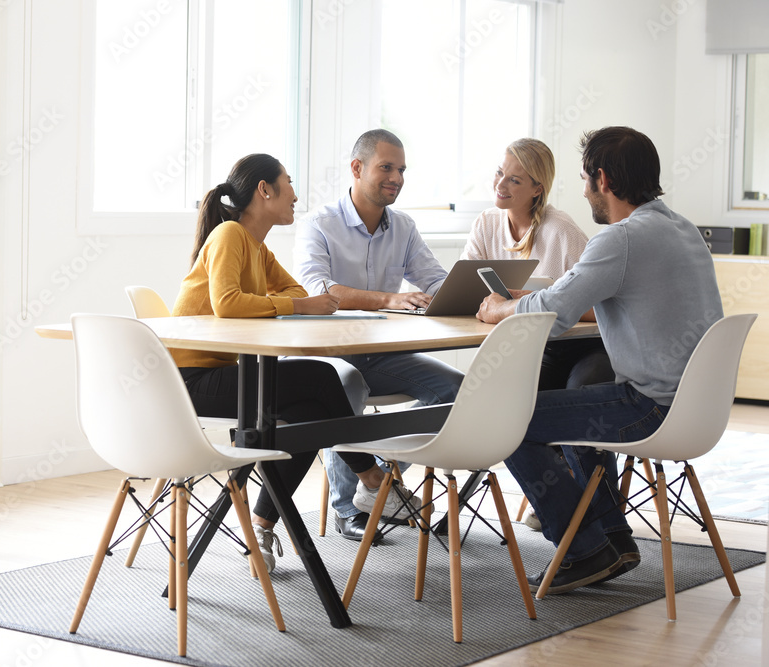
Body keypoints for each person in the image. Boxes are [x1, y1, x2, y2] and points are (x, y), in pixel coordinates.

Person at [476, 126, 724, 594]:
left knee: (503, 418)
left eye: (586, 178)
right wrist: (532, 297)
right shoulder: (682, 228)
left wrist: (499, 308)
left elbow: (550, 316)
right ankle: (613, 539)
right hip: (697, 408)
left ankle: (584, 549)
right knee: (580, 407)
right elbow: (567, 297)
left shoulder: (621, 240)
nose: (585, 189)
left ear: (603, 180)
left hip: (650, 407)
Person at [171, 153, 406, 573]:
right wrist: (299, 304)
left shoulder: (256, 248)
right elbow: (228, 305)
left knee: (310, 413)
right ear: (265, 190)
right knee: (318, 377)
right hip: (191, 380)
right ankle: (372, 477)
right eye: (289, 182)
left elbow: (299, 291)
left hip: (226, 374)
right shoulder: (229, 235)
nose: (296, 195)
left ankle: (261, 523)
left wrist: (300, 302)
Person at [293, 129, 463, 541]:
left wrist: (467, 294)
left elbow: (435, 279)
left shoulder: (403, 226)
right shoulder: (319, 224)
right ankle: (348, 507)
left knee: (458, 391)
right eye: (386, 167)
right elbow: (318, 289)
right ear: (357, 168)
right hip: (327, 356)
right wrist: (389, 298)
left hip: (382, 355)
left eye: (401, 169)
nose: (397, 178)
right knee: (342, 390)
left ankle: (381, 480)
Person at [463, 138, 615, 531]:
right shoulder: (486, 224)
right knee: (504, 407)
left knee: (580, 397)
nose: (501, 185)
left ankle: (597, 520)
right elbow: (467, 293)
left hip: (583, 347)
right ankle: (564, 501)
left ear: (536, 189)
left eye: (514, 180)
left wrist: (536, 300)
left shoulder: (561, 231)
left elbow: (601, 307)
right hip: (534, 347)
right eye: (500, 173)